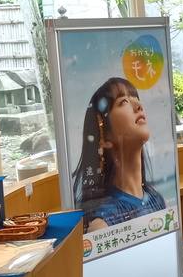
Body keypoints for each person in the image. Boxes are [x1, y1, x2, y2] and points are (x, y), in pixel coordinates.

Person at [71, 77, 166, 232]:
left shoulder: (158, 201)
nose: (139, 105)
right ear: (105, 136)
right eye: (124, 101)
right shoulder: (102, 225)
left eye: (136, 98)